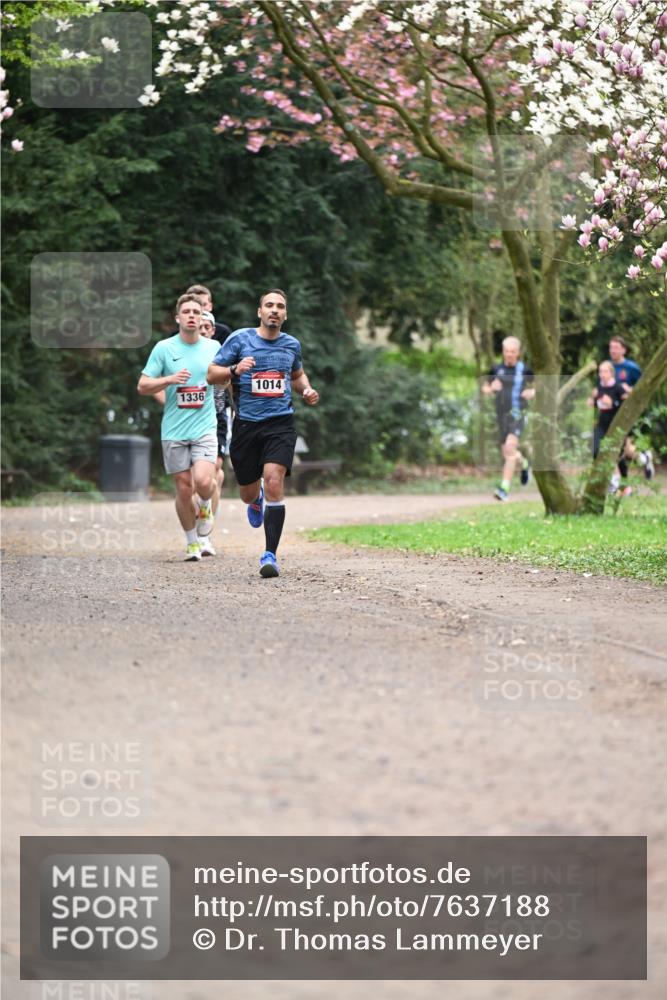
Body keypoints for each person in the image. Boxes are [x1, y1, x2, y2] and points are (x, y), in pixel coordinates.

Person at [207, 288, 319, 578]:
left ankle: (270, 554)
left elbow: (296, 376)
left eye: (280, 306)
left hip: (280, 423)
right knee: (248, 492)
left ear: (285, 314)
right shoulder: (240, 340)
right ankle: (255, 500)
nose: (274, 310)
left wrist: (305, 389)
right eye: (269, 305)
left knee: (274, 480)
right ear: (260, 312)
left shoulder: (291, 345)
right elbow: (211, 374)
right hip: (246, 425)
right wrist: (235, 369)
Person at [138, 294, 222, 561]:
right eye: (186, 311)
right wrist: (170, 379)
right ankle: (192, 542)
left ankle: (206, 505)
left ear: (201, 317)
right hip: (174, 430)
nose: (191, 316)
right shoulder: (164, 348)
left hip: (205, 427)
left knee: (203, 481)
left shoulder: (214, 347)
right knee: (184, 488)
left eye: (196, 312)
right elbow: (143, 386)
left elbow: (225, 378)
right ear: (177, 318)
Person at [482, 336, 535, 501]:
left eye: (512, 351)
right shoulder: (496, 369)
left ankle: (504, 489)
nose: (509, 354)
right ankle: (524, 463)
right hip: (501, 416)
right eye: (506, 351)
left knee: (510, 449)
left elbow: (539, 386)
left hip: (517, 414)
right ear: (503, 352)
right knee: (508, 453)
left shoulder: (524, 369)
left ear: (518, 353)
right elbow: (484, 387)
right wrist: (490, 388)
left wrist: (533, 392)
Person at [607, 335, 654, 485]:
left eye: (616, 347)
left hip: (628, 413)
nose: (612, 350)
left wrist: (630, 391)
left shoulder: (631, 368)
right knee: (619, 448)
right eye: (611, 347)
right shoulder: (607, 367)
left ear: (624, 350)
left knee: (623, 448)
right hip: (611, 413)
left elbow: (643, 388)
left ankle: (620, 480)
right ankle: (643, 459)